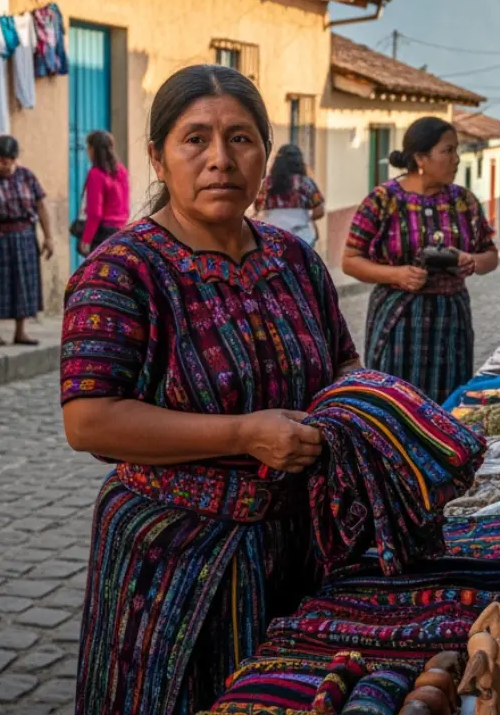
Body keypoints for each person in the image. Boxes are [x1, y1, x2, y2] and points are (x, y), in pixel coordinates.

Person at [60, 65, 360, 715]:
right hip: (170, 563)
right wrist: (243, 433)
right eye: (195, 139)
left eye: (241, 138)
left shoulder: (295, 260)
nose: (220, 158)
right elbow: (89, 420)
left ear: (264, 156)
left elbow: (342, 362)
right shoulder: (121, 271)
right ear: (158, 158)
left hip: (298, 552)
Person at [342, 116, 499, 402]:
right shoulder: (383, 200)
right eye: (448, 151)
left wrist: (472, 260)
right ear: (420, 158)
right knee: (397, 401)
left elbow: (491, 255)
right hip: (399, 317)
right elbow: (350, 260)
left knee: (448, 399)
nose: (456, 159)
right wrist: (397, 275)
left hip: (450, 320)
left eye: (456, 150)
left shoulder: (463, 202)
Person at [0, 135, 53, 345]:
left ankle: (20, 331)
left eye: (6, 161)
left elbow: (41, 206)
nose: (1, 165)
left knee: (23, 284)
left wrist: (48, 237)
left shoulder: (27, 177)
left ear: (14, 159)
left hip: (23, 236)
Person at [251, 142, 324, 246]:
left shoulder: (267, 183)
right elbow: (319, 211)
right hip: (301, 236)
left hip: (272, 237)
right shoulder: (306, 183)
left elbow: (258, 205)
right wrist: (305, 219)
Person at [79, 130, 129, 254]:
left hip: (103, 235)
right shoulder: (122, 171)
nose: (87, 152)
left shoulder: (96, 174)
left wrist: (86, 239)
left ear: (93, 149)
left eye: (88, 148)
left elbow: (95, 213)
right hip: (121, 231)